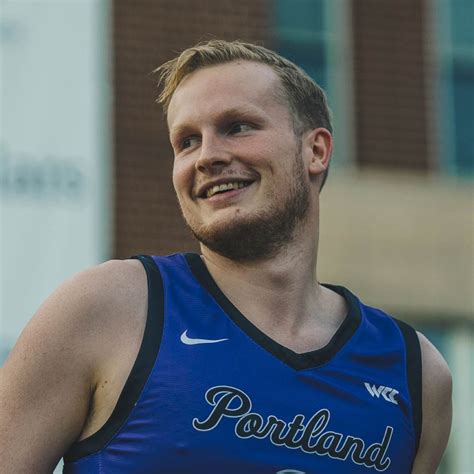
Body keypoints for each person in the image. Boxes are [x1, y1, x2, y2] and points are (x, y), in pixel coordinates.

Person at [0, 40, 452, 473]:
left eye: (237, 127)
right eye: (187, 141)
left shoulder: (416, 372)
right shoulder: (107, 308)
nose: (207, 157)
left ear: (315, 151)